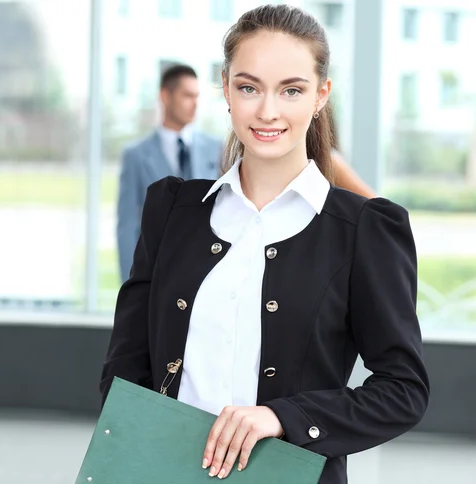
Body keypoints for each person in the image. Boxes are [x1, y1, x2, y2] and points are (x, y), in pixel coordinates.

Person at [101, 5, 429, 484]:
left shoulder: (364, 230)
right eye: (249, 87)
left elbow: (404, 391)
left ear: (321, 96)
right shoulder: (171, 211)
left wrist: (284, 417)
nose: (267, 111)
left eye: (291, 90)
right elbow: (126, 368)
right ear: (227, 89)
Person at [117, 64, 222, 282]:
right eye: (187, 96)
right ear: (165, 96)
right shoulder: (136, 156)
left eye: (197, 96)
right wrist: (131, 285)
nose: (195, 104)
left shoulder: (217, 149)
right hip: (157, 275)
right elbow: (127, 225)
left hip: (208, 273)